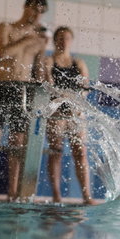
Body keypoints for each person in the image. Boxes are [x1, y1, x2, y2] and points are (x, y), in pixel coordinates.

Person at [0, 0, 49, 202]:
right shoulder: (6, 28)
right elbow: (3, 53)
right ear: (26, 7)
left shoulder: (39, 38)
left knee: (17, 142)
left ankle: (13, 191)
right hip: (2, 86)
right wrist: (27, 40)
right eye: (35, 9)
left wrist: (46, 83)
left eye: (41, 12)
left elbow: (39, 69)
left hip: (23, 91)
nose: (37, 15)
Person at [44, 26, 96, 205]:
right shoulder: (49, 60)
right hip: (57, 113)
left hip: (75, 113)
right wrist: (62, 98)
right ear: (55, 40)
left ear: (71, 40)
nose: (63, 40)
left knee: (80, 152)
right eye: (59, 37)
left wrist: (75, 103)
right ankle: (56, 196)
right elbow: (49, 83)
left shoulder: (79, 63)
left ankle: (86, 196)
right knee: (56, 151)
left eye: (66, 37)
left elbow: (85, 87)